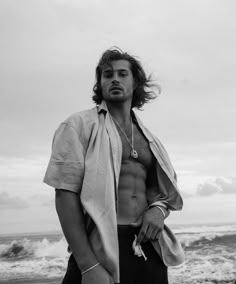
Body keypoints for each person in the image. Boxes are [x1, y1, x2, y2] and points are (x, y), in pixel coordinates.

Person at [43, 48, 184, 284]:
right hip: (101, 247)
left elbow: (165, 190)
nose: (115, 79)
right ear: (100, 82)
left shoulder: (150, 139)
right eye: (107, 75)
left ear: (136, 81)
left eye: (122, 74)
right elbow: (65, 194)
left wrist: (159, 211)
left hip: (147, 245)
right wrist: (88, 266)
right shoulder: (78, 125)